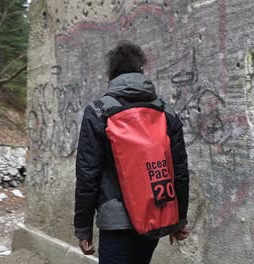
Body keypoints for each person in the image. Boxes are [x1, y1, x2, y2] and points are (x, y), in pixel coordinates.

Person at [74, 41, 190, 264]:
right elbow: (180, 171)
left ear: (112, 74)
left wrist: (83, 228)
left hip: (116, 223)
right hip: (155, 215)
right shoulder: (166, 112)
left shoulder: (98, 112)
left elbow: (88, 174)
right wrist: (179, 219)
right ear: (141, 70)